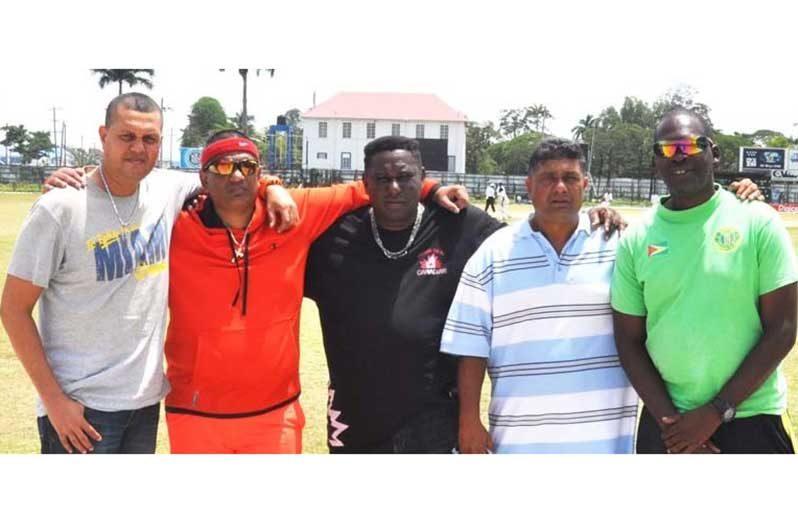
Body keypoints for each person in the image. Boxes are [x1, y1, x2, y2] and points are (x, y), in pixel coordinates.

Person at [0, 93, 297, 454]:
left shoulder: (164, 189)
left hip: (144, 402)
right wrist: (54, 403)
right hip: (80, 406)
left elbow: (231, 173)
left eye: (150, 139)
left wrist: (273, 187)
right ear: (103, 135)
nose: (138, 149)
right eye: (127, 136)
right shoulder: (60, 207)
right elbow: (13, 309)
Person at [163, 131, 464, 453]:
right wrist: (271, 186)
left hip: (275, 413)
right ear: (203, 179)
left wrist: (431, 189)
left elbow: (365, 187)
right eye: (222, 167)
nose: (237, 176)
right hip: (194, 411)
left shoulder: (295, 212)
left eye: (247, 167)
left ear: (259, 173)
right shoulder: (173, 228)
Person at [611, 108, 797, 454]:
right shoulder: (637, 237)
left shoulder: (758, 221)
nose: (679, 156)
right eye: (666, 149)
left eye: (690, 146)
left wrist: (716, 411)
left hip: (751, 416)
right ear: (655, 161)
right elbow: (628, 338)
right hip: (667, 422)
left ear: (715, 151)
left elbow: (784, 327)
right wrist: (675, 427)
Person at [304, 136, 504, 453]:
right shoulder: (332, 238)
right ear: (365, 184)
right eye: (382, 179)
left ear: (423, 178)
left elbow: (521, 242)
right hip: (354, 418)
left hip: (437, 418)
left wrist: (589, 222)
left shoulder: (458, 224)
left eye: (405, 177)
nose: (394, 188)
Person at [441, 138, 638, 453]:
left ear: (585, 185)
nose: (560, 187)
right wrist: (469, 420)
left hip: (604, 441)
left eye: (570, 178)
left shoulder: (620, 245)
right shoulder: (493, 253)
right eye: (548, 178)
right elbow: (471, 345)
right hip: (519, 441)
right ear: (529, 185)